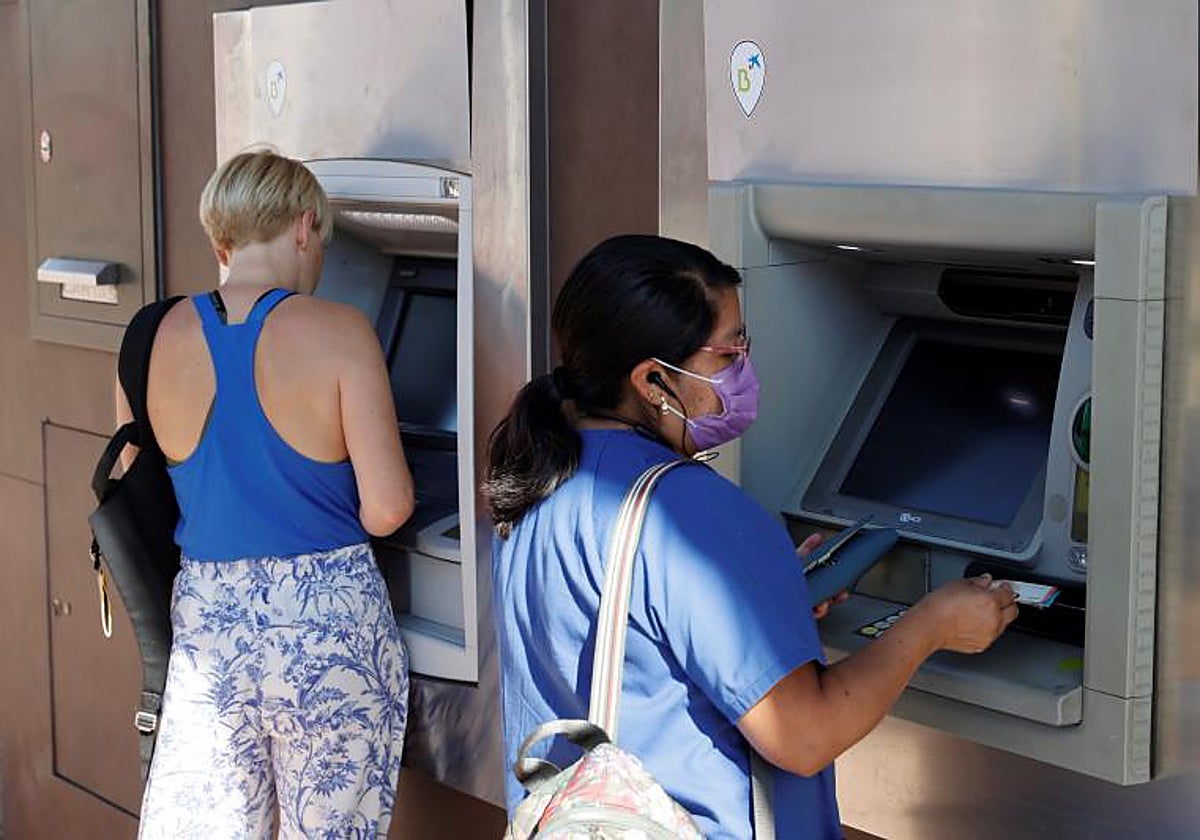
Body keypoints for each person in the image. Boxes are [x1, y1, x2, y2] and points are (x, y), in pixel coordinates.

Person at [484, 234, 1019, 839]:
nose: (745, 370)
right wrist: (930, 626)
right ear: (653, 381)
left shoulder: (542, 470)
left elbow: (637, 642)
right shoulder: (691, 511)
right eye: (727, 354)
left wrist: (766, 605)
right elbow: (805, 735)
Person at [122, 150, 414, 839]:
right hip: (329, 629)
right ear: (305, 226)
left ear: (222, 241)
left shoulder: (148, 338)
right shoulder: (341, 332)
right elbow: (388, 507)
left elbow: (145, 483)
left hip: (208, 628)